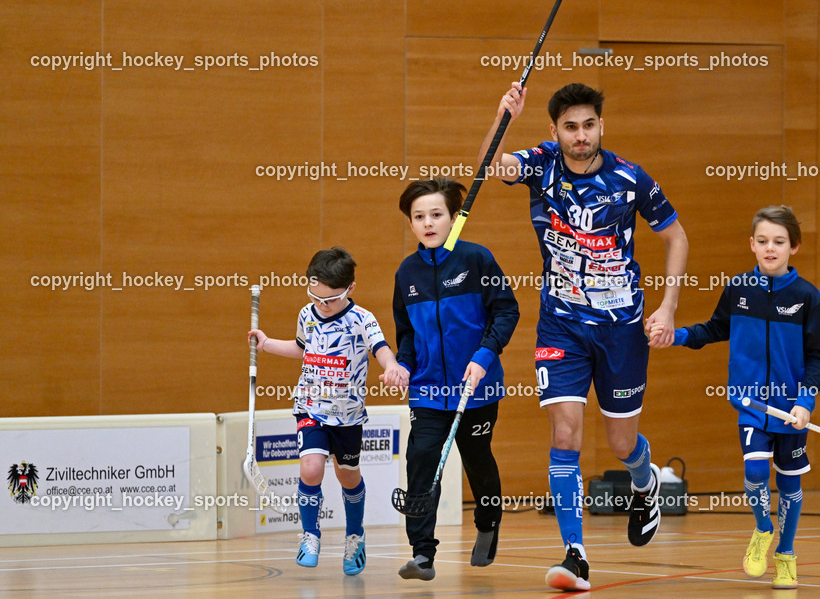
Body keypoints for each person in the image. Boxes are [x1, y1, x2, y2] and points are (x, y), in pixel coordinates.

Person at [481, 82, 688, 591]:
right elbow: (491, 166)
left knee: (620, 442)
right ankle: (575, 554)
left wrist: (666, 306)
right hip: (561, 324)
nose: (580, 136)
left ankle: (646, 481)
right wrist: (503, 115)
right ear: (555, 130)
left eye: (588, 125)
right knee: (566, 433)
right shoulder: (541, 164)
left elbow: (676, 237)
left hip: (622, 330)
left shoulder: (629, 178)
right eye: (570, 127)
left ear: (601, 126)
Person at [653, 205, 820, 589]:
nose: (770, 248)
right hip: (750, 405)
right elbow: (715, 329)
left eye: (779, 242)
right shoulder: (738, 289)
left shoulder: (806, 297)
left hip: (789, 410)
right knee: (753, 471)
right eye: (763, 241)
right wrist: (676, 335)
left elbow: (818, 358)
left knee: (789, 486)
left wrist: (805, 402)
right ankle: (762, 529)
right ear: (752, 244)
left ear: (793, 247)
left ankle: (785, 553)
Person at [386, 177, 520, 581]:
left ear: (451, 219)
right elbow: (406, 332)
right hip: (428, 389)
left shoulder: (477, 260)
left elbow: (507, 312)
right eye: (419, 217)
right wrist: (404, 365)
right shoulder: (406, 273)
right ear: (410, 223)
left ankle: (488, 521)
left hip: (477, 387)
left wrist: (483, 356)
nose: (428, 223)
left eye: (436, 214)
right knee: (421, 460)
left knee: (477, 461)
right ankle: (423, 553)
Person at [248, 246, 404, 575]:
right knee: (311, 468)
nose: (322, 305)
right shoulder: (307, 314)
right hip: (310, 407)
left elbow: (382, 349)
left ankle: (354, 536)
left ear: (350, 289)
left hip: (347, 417)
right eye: (316, 297)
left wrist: (392, 367)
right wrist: (266, 343)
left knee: (347, 475)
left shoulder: (362, 319)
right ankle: (310, 535)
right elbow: (301, 348)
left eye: (330, 299)